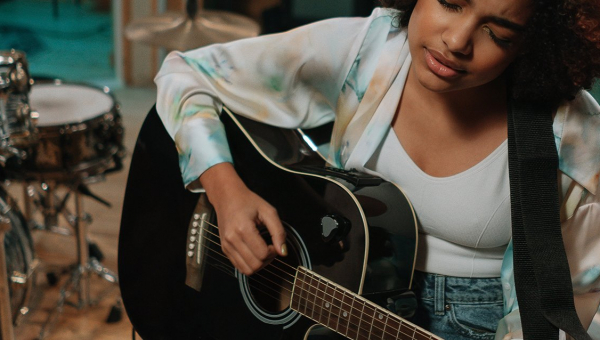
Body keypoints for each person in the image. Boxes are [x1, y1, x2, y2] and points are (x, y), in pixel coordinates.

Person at [153, 0, 600, 338]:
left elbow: (587, 302)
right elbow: (185, 75)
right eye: (450, 2)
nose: (458, 41)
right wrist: (225, 191)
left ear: (533, 45)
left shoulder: (576, 136)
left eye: (498, 35)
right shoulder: (369, 50)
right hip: (331, 286)